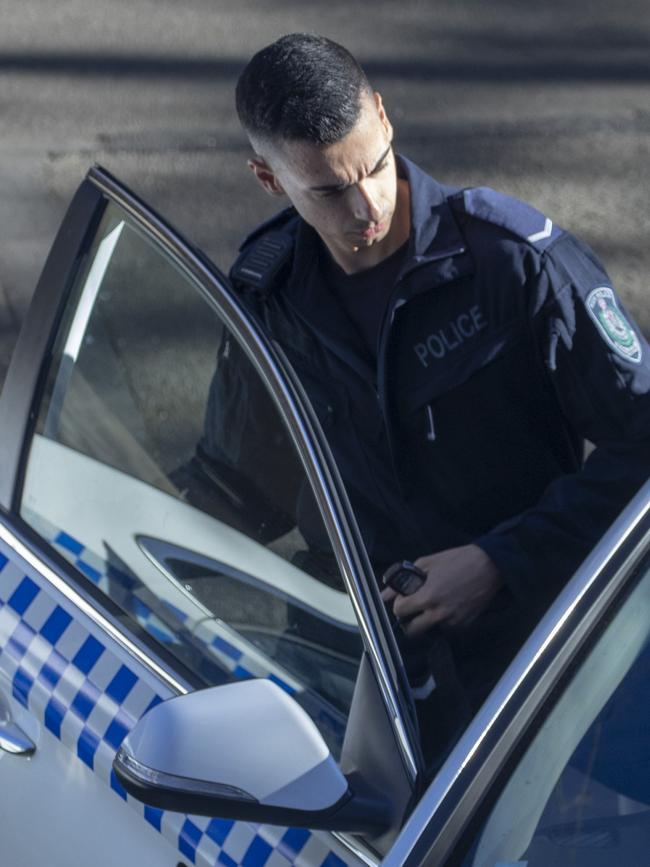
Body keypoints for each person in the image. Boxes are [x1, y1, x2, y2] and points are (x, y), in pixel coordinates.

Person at [206, 33, 650, 717]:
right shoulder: (268, 299)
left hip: (529, 662)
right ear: (268, 179)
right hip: (357, 665)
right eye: (328, 191)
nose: (366, 208)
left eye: (374, 168)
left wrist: (499, 561)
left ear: (383, 116)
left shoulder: (514, 264)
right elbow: (237, 489)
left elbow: (642, 447)